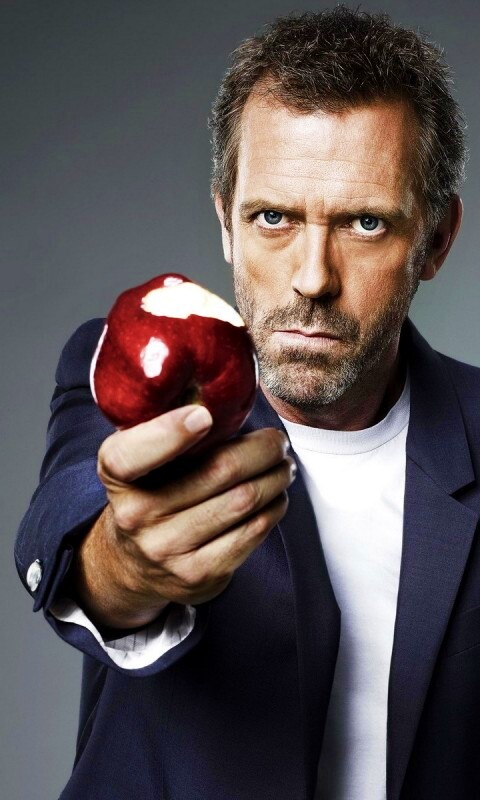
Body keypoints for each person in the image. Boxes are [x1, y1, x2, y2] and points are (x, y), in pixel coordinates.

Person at [14, 7, 480, 800]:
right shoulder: (130, 370)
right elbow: (74, 535)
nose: (313, 277)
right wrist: (129, 562)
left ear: (435, 240)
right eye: (273, 218)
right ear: (226, 222)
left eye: (366, 223)